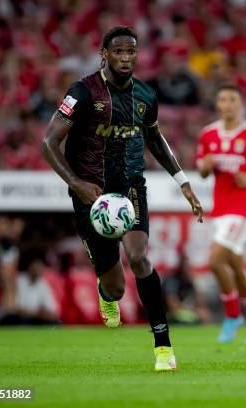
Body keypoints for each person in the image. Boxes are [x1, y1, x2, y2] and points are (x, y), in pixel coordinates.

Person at [41, 26, 203, 372]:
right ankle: (106, 292)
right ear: (104, 54)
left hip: (130, 189)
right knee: (115, 288)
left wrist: (183, 181)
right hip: (92, 193)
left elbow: (155, 138)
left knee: (140, 257)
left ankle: (163, 347)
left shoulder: (145, 95)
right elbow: (48, 143)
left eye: (131, 52)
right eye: (118, 52)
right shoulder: (83, 92)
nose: (126, 58)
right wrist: (76, 183)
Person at [197, 84, 246, 344]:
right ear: (217, 104)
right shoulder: (208, 134)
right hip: (220, 208)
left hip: (242, 209)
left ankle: (232, 316)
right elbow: (202, 170)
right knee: (236, 266)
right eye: (223, 99)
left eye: (232, 99)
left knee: (215, 261)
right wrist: (206, 167)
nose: (227, 103)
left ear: (240, 103)